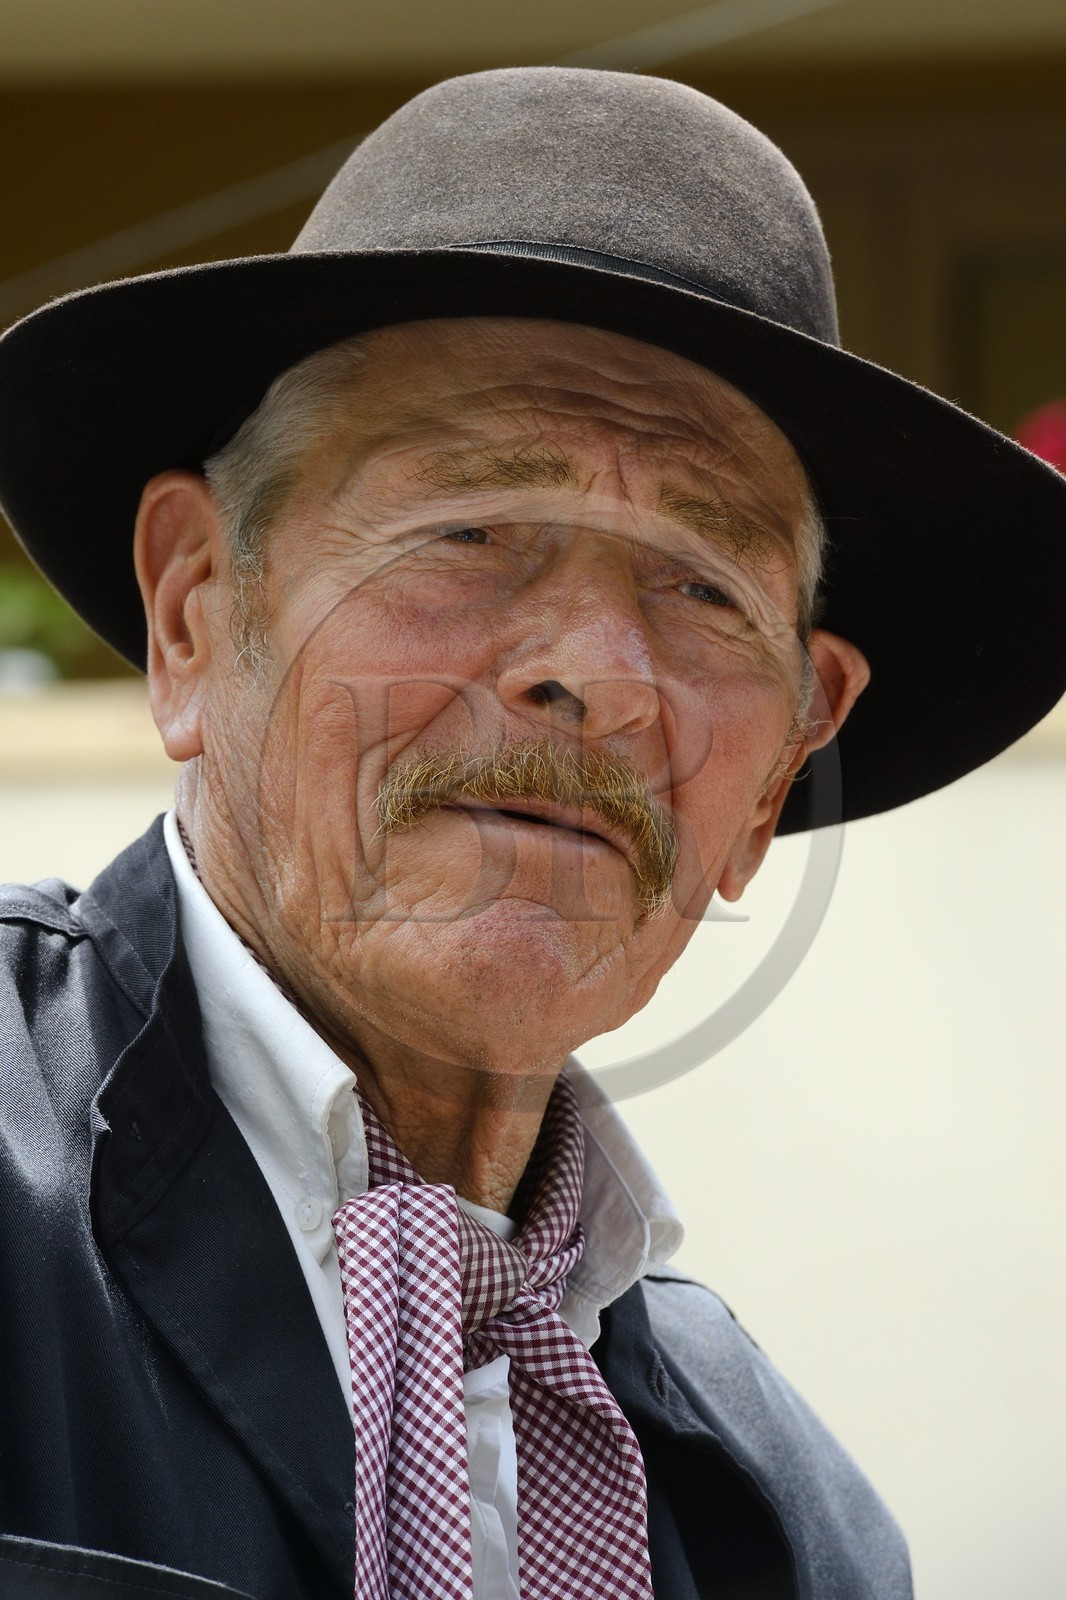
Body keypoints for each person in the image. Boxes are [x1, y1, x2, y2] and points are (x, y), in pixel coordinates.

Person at [0, 67, 1063, 1600]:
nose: (600, 675)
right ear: (194, 612)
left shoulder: (785, 1527)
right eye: (471, 528)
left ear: (772, 782)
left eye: (704, 586)